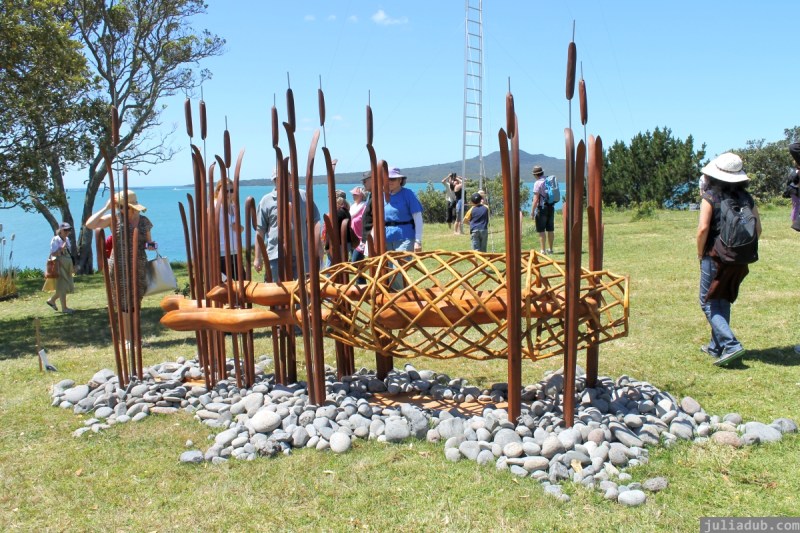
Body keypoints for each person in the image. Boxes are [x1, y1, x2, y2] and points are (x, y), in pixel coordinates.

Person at [696, 152, 761, 367]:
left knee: (707, 300)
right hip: (741, 257)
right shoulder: (747, 198)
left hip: (715, 256)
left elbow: (703, 229)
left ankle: (731, 345)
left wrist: (700, 253)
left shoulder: (711, 197)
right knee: (723, 297)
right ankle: (716, 347)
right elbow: (758, 229)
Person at [86, 190, 156, 342]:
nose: (122, 210)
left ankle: (135, 336)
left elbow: (149, 241)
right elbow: (90, 224)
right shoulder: (114, 218)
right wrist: (106, 208)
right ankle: (127, 338)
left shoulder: (144, 221)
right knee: (123, 303)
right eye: (120, 207)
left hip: (138, 265)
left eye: (124, 207)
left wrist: (150, 245)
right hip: (119, 266)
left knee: (136, 301)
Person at [253, 170, 321, 281]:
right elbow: (260, 230)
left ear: (290, 178)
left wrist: (318, 248)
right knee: (278, 291)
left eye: (285, 177)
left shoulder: (303, 196)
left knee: (304, 291)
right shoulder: (267, 201)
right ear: (274, 181)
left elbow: (315, 222)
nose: (281, 181)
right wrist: (257, 258)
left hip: (302, 255)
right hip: (276, 255)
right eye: (277, 179)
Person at [384, 167, 423, 253]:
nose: (390, 181)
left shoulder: (408, 194)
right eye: (388, 179)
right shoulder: (384, 196)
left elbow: (418, 217)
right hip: (387, 239)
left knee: (400, 266)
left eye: (393, 179)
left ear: (400, 180)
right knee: (389, 266)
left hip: (405, 238)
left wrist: (418, 241)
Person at [43, 222, 75, 314]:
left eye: (69, 230)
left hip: (67, 266)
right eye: (65, 230)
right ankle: (64, 308)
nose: (67, 232)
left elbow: (68, 253)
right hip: (60, 266)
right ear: (60, 230)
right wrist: (61, 248)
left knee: (65, 286)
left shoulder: (67, 239)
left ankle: (51, 300)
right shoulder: (55, 239)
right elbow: (53, 253)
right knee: (62, 286)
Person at [214, 179, 241, 280]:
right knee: (226, 286)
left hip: (234, 251)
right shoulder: (214, 206)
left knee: (240, 283)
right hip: (221, 252)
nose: (229, 193)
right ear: (218, 191)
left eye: (231, 190)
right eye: (225, 191)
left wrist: (239, 227)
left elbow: (237, 228)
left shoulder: (233, 206)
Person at [530, 165, 555, 254]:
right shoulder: (549, 180)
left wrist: (532, 211)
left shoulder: (537, 183)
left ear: (536, 175)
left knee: (541, 230)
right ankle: (551, 249)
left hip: (542, 208)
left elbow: (536, 198)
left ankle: (543, 250)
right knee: (550, 229)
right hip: (551, 206)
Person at [349, 185, 367, 262]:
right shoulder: (352, 207)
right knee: (357, 266)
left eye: (356, 194)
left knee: (355, 262)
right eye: (353, 194)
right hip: (352, 240)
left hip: (361, 241)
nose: (353, 196)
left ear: (362, 195)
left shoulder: (365, 207)